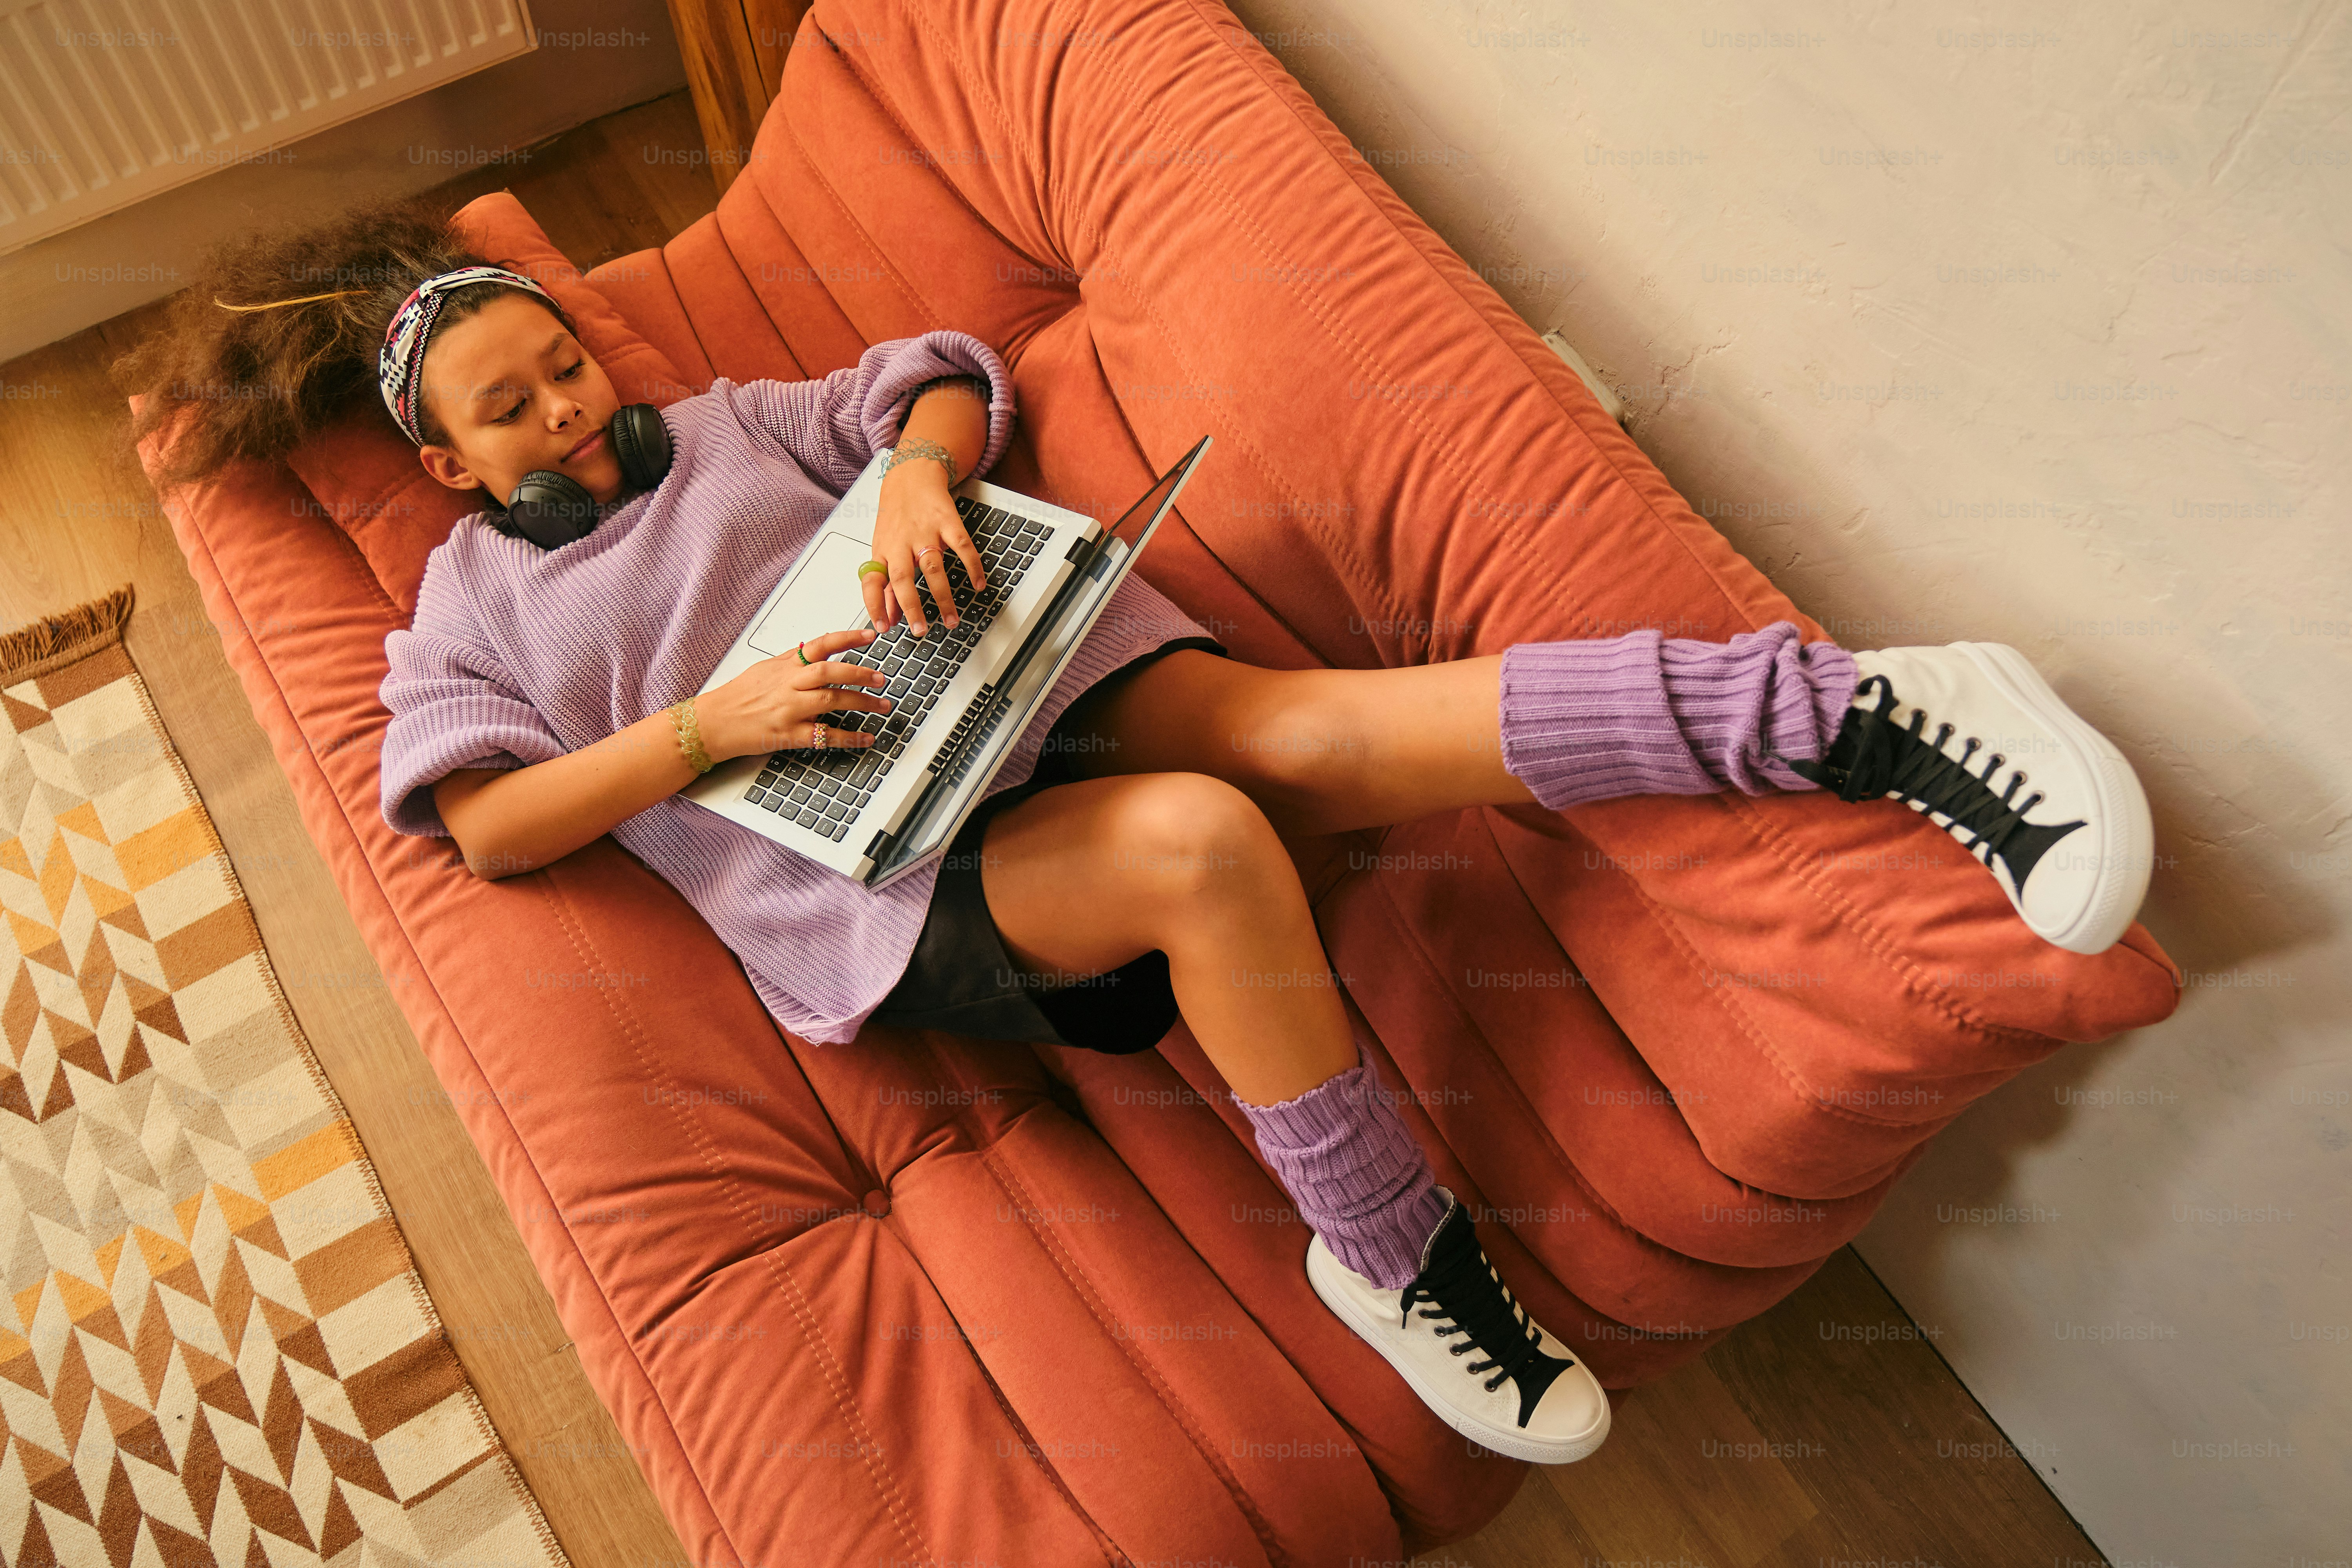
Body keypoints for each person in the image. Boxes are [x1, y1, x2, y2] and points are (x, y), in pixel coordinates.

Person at [117, 196, 2153, 1468]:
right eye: (512, 407)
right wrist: (705, 729)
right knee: (1196, 846)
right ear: (438, 456)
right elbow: (488, 824)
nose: (568, 409)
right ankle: (1394, 1251)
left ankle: (1874, 714)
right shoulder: (474, 617)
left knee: (1314, 736)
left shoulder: (729, 422)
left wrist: (916, 478)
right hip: (905, 872)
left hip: (1024, 669)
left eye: (564, 363)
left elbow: (937, 380)